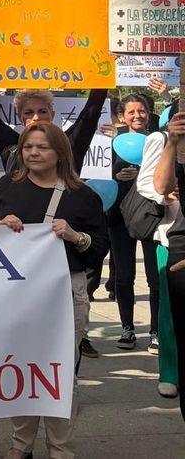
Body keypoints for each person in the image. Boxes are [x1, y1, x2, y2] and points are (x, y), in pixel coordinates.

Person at [0, 122, 108, 459]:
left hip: (65, 290)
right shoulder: (8, 185)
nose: (33, 153)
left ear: (59, 153)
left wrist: (75, 236)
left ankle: (61, 449)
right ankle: (20, 445)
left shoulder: (82, 196)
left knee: (59, 371)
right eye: (28, 147)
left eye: (42, 147)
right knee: (23, 368)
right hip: (18, 294)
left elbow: (98, 250)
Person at [137, 105, 185, 402]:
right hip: (172, 237)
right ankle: (169, 372)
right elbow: (150, 183)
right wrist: (165, 195)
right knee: (169, 310)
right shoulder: (161, 139)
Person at [110, 94, 161, 350]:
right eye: (131, 112)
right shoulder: (111, 141)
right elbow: (99, 176)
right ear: (122, 116)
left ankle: (155, 331)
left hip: (152, 216)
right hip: (119, 217)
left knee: (155, 278)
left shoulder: (159, 141)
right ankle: (127, 328)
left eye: (142, 111)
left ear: (150, 112)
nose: (137, 116)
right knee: (124, 276)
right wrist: (117, 175)